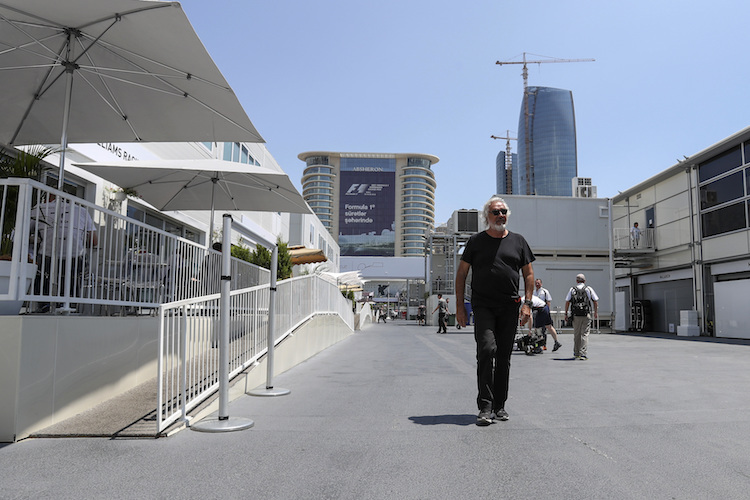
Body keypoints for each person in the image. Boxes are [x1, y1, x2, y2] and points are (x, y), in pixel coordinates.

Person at [455, 196, 535, 426]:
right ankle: (485, 406)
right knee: (487, 350)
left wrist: (527, 304)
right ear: (486, 217)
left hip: (510, 306)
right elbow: (462, 274)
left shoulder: (519, 241)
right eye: (495, 212)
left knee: (503, 356)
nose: (500, 215)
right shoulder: (476, 242)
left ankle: (500, 406)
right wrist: (461, 307)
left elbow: (529, 274)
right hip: (483, 306)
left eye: (503, 211)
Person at [30, 193, 97, 312]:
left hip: (47, 256)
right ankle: (69, 306)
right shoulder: (81, 210)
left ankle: (44, 307)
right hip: (75, 257)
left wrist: (37, 239)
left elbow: (22, 233)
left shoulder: (40, 208)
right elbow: (94, 241)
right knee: (73, 279)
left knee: (42, 277)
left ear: (49, 197)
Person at [564, 273, 599, 360]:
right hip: (586, 314)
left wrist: (566, 313)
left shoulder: (572, 289)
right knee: (585, 334)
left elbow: (567, 301)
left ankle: (576, 353)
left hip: (575, 315)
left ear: (576, 281)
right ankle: (583, 354)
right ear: (584, 281)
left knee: (577, 334)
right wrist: (595, 312)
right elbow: (595, 300)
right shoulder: (588, 289)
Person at [533, 278, 561, 351]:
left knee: (547, 327)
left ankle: (556, 342)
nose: (537, 284)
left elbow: (548, 302)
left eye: (538, 283)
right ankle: (541, 344)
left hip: (544, 311)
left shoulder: (545, 292)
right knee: (539, 328)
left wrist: (548, 312)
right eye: (536, 283)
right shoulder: (533, 292)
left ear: (541, 284)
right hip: (537, 311)